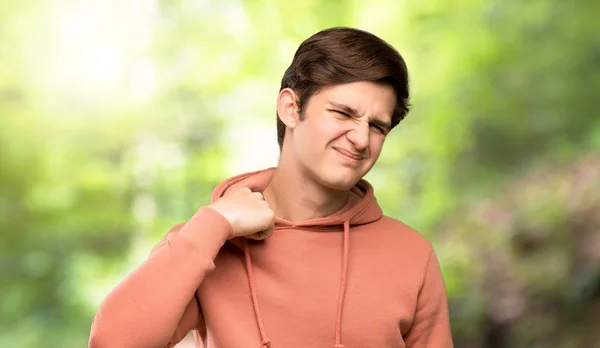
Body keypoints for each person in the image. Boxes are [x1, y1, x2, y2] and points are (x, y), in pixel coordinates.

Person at [89, 27, 453, 348]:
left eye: (377, 126)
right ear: (291, 108)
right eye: (343, 113)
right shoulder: (207, 243)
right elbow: (111, 342)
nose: (360, 138)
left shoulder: (411, 255)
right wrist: (214, 223)